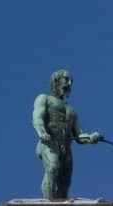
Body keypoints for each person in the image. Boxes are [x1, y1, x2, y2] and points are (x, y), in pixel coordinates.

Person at [32, 70, 103, 199]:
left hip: (66, 148)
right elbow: (38, 117)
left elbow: (79, 136)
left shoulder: (71, 111)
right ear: (56, 81)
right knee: (53, 168)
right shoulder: (44, 99)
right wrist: (41, 132)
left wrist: (91, 137)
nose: (69, 83)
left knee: (65, 180)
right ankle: (48, 204)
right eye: (66, 79)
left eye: (71, 81)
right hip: (50, 143)